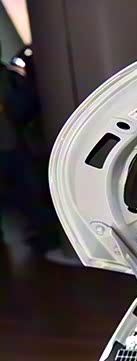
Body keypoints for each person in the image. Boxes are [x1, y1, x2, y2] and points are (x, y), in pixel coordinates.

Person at [0, 42, 63, 260]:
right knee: (30, 195)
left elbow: (24, 106)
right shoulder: (9, 78)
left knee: (30, 195)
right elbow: (26, 106)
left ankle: (44, 237)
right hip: (12, 146)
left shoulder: (9, 78)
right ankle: (45, 237)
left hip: (12, 147)